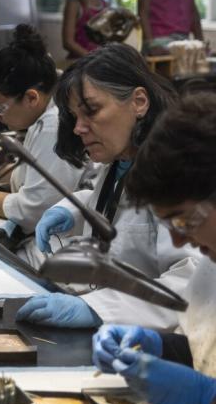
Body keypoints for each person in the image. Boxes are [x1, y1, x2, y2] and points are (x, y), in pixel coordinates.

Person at [15, 44, 200, 330]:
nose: (78, 128)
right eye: (75, 116)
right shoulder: (121, 160)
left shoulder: (176, 176)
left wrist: (97, 309)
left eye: (92, 111)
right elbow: (116, 204)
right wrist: (72, 210)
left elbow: (191, 282)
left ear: (139, 102)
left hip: (153, 338)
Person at [92, 93, 216, 404]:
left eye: (185, 220)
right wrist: (162, 347)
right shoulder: (211, 267)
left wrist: (207, 397)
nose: (177, 239)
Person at [0, 25, 90, 243]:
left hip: (60, 243)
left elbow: (33, 211)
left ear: (31, 98)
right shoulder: (44, 117)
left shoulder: (54, 126)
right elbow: (34, 178)